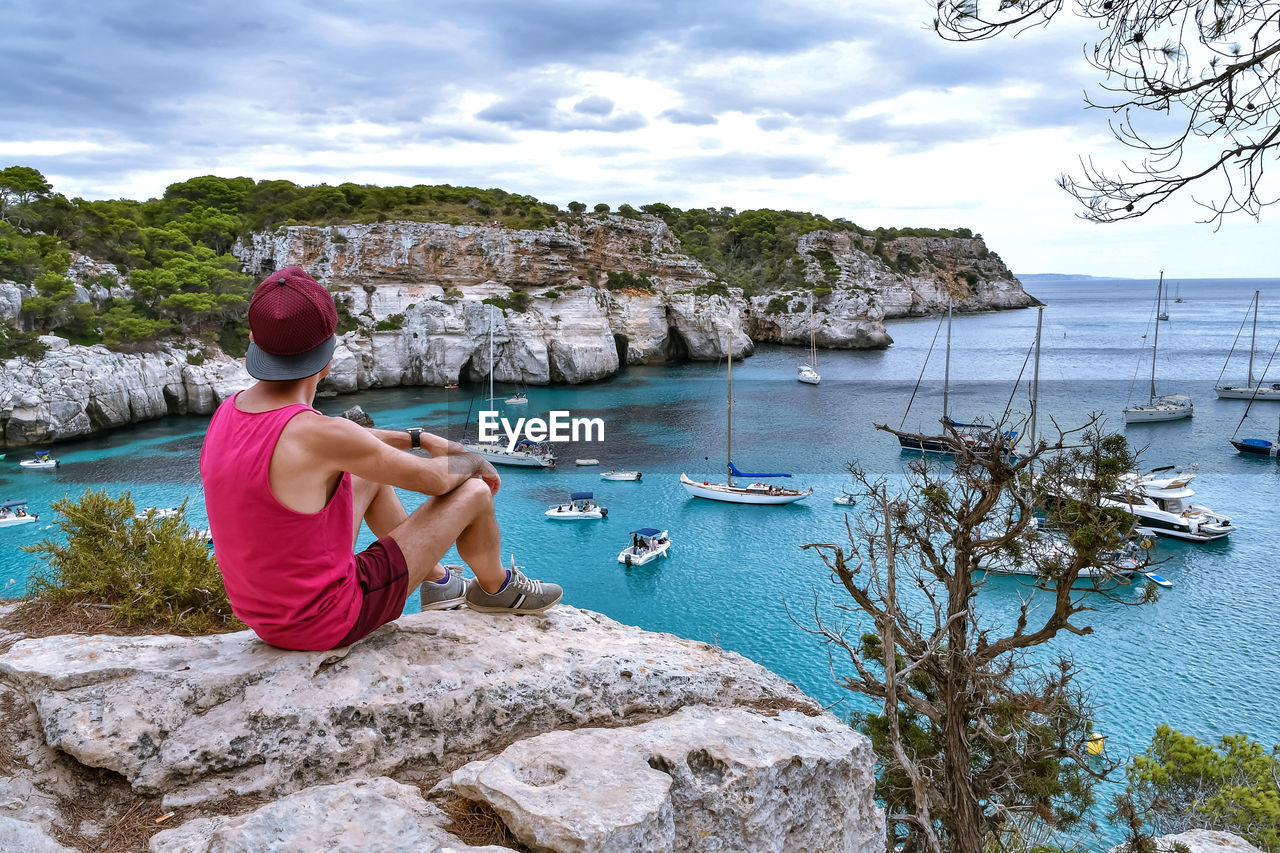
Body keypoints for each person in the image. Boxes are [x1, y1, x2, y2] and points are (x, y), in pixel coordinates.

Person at [200, 267, 561, 651]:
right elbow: (435, 480)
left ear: (253, 342)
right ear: (329, 356)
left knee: (366, 473)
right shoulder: (321, 434)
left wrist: (418, 437)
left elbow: (350, 445)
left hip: (269, 616)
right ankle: (495, 588)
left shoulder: (230, 411)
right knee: (472, 493)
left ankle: (439, 583)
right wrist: (472, 459)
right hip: (326, 619)